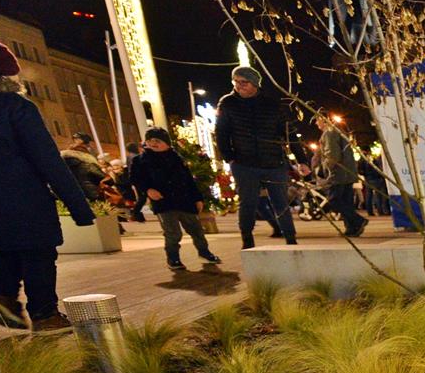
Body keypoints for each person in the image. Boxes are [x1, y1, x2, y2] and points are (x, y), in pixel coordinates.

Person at [0, 33, 96, 332]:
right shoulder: (14, 105)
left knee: (13, 246)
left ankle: (2, 295)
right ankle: (45, 314)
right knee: (39, 250)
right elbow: (48, 160)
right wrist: (79, 207)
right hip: (23, 193)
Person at [215, 64, 297, 248]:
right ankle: (247, 239)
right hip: (244, 163)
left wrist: (302, 160)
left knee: (281, 202)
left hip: (273, 161)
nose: (239, 86)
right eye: (236, 82)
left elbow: (288, 132)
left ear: (255, 83)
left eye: (244, 82)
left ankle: (291, 239)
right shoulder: (228, 103)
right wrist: (229, 157)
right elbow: (221, 133)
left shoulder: (271, 104)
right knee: (248, 202)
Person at [129, 127, 222, 272]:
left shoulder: (177, 158)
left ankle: (204, 252)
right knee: (173, 232)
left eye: (157, 140)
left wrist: (197, 198)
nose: (153, 143)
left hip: (184, 200)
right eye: (150, 140)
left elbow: (189, 180)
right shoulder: (141, 160)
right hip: (163, 201)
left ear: (167, 143)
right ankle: (173, 258)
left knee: (196, 229)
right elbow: (136, 179)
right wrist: (148, 190)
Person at [313, 114, 367, 238]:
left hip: (338, 173)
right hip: (347, 173)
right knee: (346, 201)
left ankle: (358, 220)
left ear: (324, 120)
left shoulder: (329, 133)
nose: (316, 123)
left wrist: (325, 168)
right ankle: (352, 228)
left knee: (334, 200)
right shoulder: (340, 131)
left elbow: (332, 155)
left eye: (317, 120)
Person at [60, 131, 106, 204]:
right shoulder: (87, 158)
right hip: (91, 190)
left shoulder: (68, 157)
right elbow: (98, 173)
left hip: (74, 191)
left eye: (78, 139)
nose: (76, 141)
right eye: (75, 139)